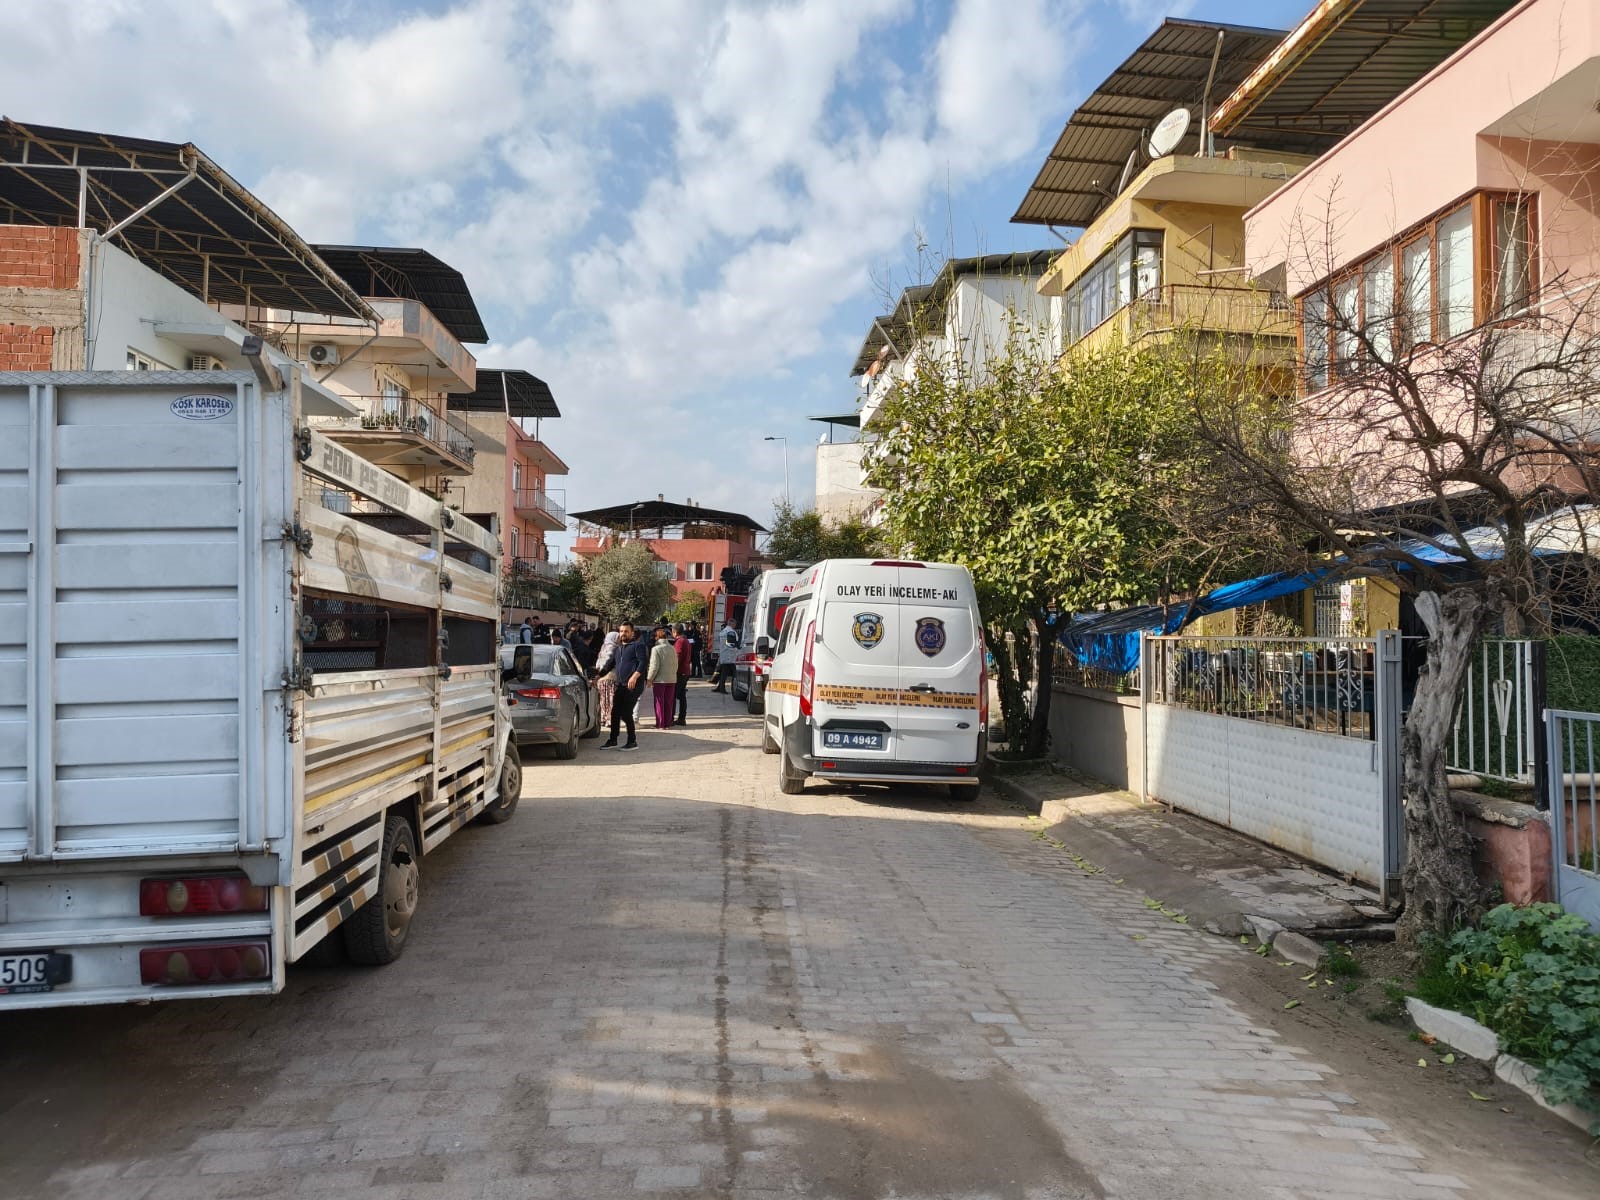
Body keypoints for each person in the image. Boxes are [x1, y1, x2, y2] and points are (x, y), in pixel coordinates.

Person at [600, 623, 646, 750]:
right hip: (620, 685)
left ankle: (632, 741)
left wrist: (634, 676)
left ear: (632, 633)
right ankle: (613, 739)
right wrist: (598, 677)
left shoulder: (638, 646)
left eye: (626, 631)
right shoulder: (618, 649)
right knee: (615, 712)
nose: (623, 634)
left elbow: (642, 662)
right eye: (621, 631)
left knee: (626, 713)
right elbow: (609, 665)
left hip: (633, 685)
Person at [646, 626, 678, 730]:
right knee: (669, 702)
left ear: (657, 637)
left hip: (660, 680)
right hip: (672, 679)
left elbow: (654, 666)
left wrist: (649, 679)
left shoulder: (656, 649)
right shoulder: (672, 648)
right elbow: (676, 664)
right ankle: (668, 723)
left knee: (659, 702)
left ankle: (660, 724)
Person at [591, 630, 619, 729]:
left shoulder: (603, 647)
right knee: (611, 699)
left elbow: (598, 662)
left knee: (603, 699)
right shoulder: (614, 648)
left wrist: (598, 673)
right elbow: (609, 662)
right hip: (610, 676)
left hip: (601, 678)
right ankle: (610, 720)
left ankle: (603, 718)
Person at [711, 617, 740, 693]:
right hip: (730, 655)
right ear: (731, 623)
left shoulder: (723, 631)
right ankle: (734, 688)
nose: (735, 625)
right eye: (735, 624)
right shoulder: (731, 632)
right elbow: (733, 644)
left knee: (724, 671)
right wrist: (738, 649)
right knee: (734, 673)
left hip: (724, 654)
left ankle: (720, 687)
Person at [672, 623, 693, 726]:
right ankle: (681, 717)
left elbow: (678, 657)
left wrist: (673, 669)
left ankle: (671, 717)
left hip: (680, 672)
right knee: (682, 695)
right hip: (686, 671)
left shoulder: (680, 642)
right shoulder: (686, 641)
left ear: (675, 632)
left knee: (674, 695)